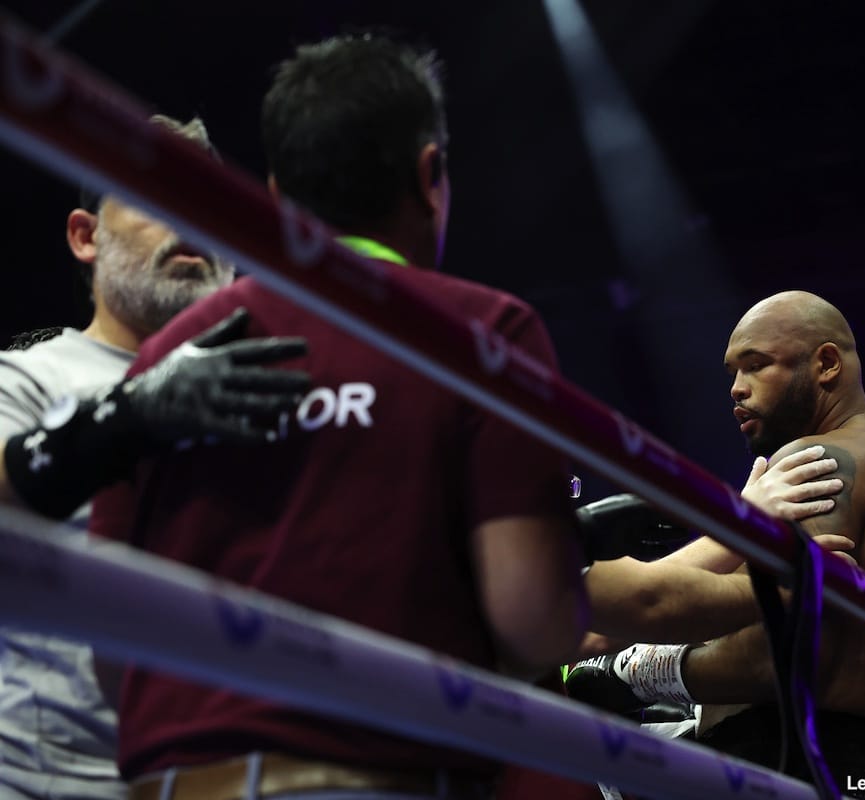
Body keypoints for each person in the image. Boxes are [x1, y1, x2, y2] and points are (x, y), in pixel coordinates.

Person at [89, 33, 589, 800]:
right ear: (431, 177)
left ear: (277, 195)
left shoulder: (168, 354)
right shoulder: (482, 333)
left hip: (174, 784)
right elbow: (536, 625)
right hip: (382, 775)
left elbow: (114, 651)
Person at [0, 115, 309, 800]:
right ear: (86, 236)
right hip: (61, 782)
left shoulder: (278, 384)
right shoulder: (25, 376)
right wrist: (126, 420)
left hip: (246, 774)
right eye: (155, 198)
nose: (189, 223)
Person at [572, 291, 865, 799]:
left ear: (827, 364)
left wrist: (644, 674)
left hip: (787, 762)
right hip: (851, 764)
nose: (736, 389)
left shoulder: (820, 465)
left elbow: (779, 655)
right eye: (733, 372)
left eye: (756, 366)